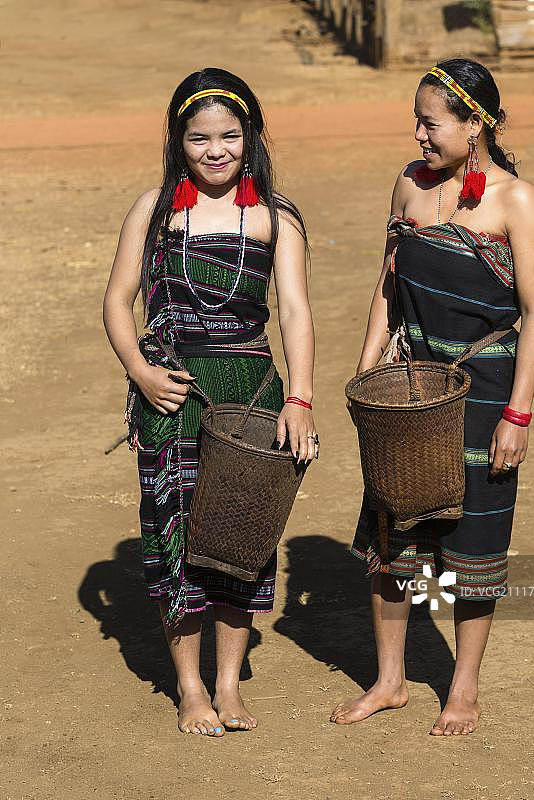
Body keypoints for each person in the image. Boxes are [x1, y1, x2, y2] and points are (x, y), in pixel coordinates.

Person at [332, 59, 534, 735]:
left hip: (485, 392)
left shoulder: (517, 202)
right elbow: (388, 281)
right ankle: (392, 680)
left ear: (475, 124)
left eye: (431, 122)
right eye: (417, 121)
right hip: (410, 388)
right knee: (395, 534)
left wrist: (518, 415)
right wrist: (367, 369)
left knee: (472, 544)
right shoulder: (408, 184)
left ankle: (463, 686)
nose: (420, 134)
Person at [103, 68, 317, 737]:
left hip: (250, 394)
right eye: (200, 137)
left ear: (251, 136)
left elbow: (296, 315)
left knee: (241, 538)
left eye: (229, 134)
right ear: (178, 140)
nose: (215, 149)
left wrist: (301, 400)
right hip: (172, 397)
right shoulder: (156, 209)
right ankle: (190, 688)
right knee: (177, 541)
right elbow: (116, 300)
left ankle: (230, 686)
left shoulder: (276, 217)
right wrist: (140, 373)